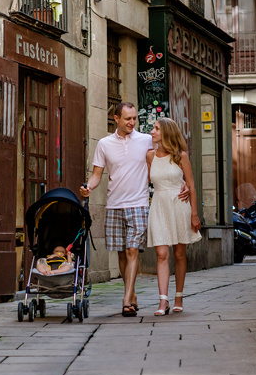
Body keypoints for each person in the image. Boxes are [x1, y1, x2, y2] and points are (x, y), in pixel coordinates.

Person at [80, 102, 188, 317]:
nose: (132, 122)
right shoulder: (104, 144)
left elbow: (170, 158)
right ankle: (132, 294)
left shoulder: (147, 140)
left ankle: (127, 300)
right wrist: (88, 187)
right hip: (114, 204)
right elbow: (97, 174)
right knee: (122, 253)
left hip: (139, 203)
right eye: (127, 118)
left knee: (132, 250)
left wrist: (182, 182)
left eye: (134, 118)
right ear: (116, 119)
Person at [146, 118, 201, 315]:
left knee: (179, 254)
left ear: (167, 133)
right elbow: (145, 181)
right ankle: (163, 301)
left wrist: (194, 215)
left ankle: (178, 298)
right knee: (161, 254)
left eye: (156, 129)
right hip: (159, 206)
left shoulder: (181, 156)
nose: (152, 131)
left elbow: (191, 185)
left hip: (179, 206)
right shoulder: (150, 156)